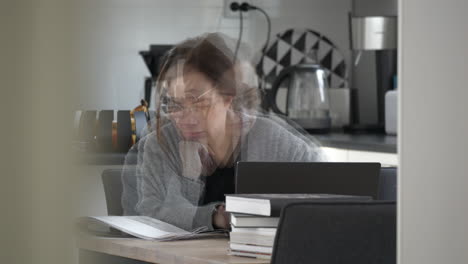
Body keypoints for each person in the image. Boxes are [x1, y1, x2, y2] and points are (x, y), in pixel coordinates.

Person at [122, 32, 326, 231]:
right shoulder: (161, 145)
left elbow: (326, 201)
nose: (184, 117)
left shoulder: (275, 143)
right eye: (174, 104)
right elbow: (145, 214)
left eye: (198, 101)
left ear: (228, 96)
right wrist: (215, 217)